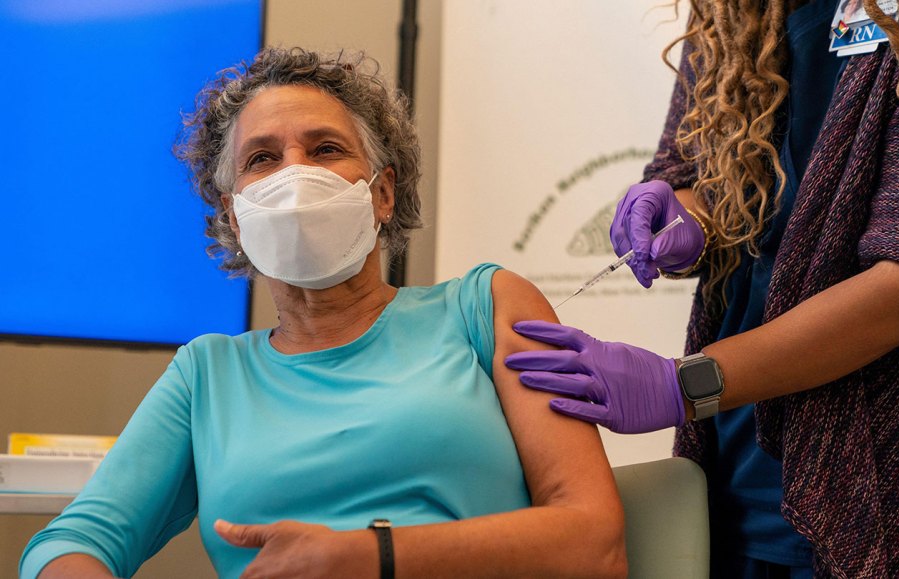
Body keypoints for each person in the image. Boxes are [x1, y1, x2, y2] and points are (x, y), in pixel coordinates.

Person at [21, 47, 627, 579]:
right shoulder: (206, 375)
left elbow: (594, 544)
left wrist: (373, 557)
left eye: (326, 149)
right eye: (262, 159)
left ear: (382, 193)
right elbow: (70, 544)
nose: (295, 173)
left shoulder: (486, 309)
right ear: (236, 217)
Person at [506, 0, 899, 577]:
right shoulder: (732, 12)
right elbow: (695, 170)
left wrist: (685, 384)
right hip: (741, 455)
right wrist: (686, 215)